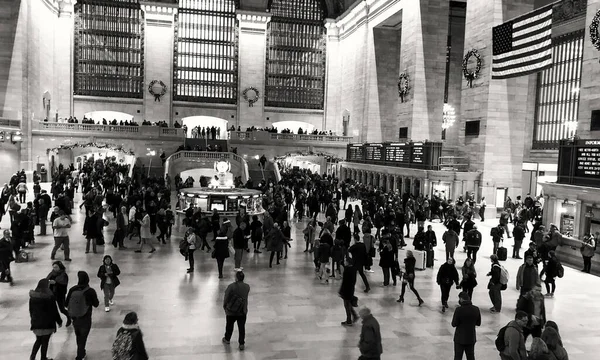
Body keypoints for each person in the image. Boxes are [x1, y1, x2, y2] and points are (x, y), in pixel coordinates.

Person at [66, 271, 99, 360]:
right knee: (83, 337)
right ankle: (80, 355)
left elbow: (66, 304)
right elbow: (96, 304)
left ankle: (81, 352)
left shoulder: (73, 289)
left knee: (78, 336)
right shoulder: (90, 291)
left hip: (75, 317)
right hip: (86, 317)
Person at [29, 278, 62, 360]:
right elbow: (54, 311)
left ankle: (32, 357)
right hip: (48, 323)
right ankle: (43, 358)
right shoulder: (49, 297)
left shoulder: (33, 297)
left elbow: (31, 310)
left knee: (38, 340)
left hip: (36, 323)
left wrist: (33, 320)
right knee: (45, 342)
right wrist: (59, 321)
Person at [222, 271, 250, 351]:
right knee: (241, 327)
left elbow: (226, 296)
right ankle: (241, 343)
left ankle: (227, 339)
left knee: (229, 326)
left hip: (231, 311)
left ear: (236, 278)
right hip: (242, 310)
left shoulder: (231, 286)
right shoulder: (247, 286)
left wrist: (225, 306)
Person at [451, 292, 481, 360]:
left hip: (459, 338)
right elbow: (478, 323)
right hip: (471, 337)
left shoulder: (459, 310)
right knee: (471, 357)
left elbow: (454, 324)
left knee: (458, 357)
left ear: (461, 299)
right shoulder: (476, 309)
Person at [47, 261, 70, 326]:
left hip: (60, 294)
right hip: (52, 294)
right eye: (54, 267)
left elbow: (64, 284)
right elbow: (46, 280)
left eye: (56, 267)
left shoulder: (63, 275)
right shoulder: (51, 274)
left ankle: (69, 317)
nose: (55, 269)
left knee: (62, 309)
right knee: (51, 308)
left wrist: (56, 283)